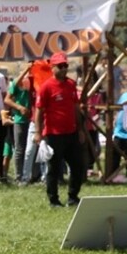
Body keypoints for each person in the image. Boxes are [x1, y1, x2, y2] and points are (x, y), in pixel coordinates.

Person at [32, 52, 86, 208]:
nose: (64, 69)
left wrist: (81, 129)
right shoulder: (46, 87)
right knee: (54, 169)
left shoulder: (70, 84)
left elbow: (76, 108)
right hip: (53, 135)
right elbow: (39, 112)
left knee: (77, 165)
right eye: (60, 66)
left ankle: (73, 197)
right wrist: (38, 132)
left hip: (72, 133)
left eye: (66, 66)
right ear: (52, 67)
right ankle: (53, 200)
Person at [6, 70, 33, 183]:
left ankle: (32, 175)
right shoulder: (17, 83)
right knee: (20, 149)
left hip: (33, 120)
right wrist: (19, 107)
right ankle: (18, 176)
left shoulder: (36, 81)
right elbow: (7, 99)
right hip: (20, 120)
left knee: (31, 149)